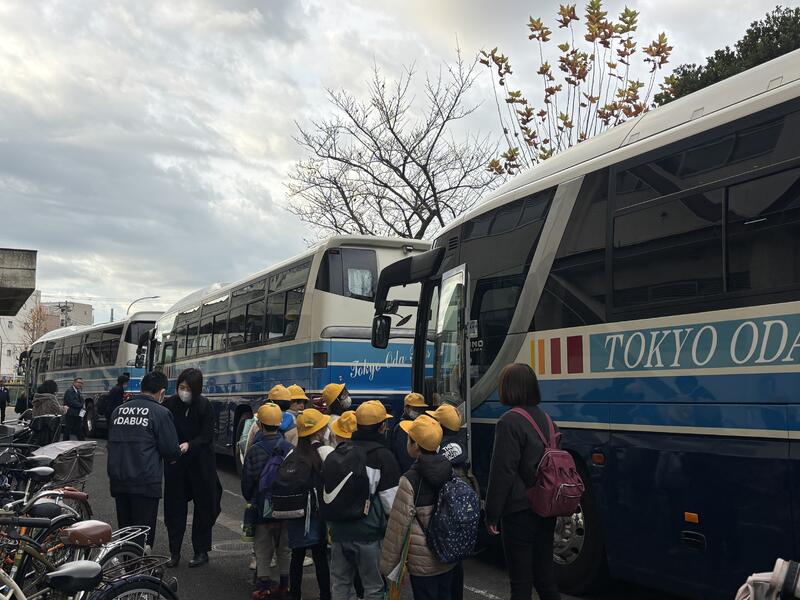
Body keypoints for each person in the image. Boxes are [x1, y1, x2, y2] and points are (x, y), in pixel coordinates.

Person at [485, 363, 561, 600]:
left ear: (508, 388)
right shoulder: (548, 421)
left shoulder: (509, 422)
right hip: (546, 508)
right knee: (545, 579)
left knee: (520, 584)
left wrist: (492, 514)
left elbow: (503, 472)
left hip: (519, 511)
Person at [328, 400, 400, 600]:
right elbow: (391, 504)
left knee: (341, 583)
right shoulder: (383, 456)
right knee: (373, 587)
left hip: (339, 531)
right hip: (368, 533)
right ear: (382, 427)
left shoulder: (341, 451)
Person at [380, 414, 455, 600]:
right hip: (447, 553)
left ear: (415, 446)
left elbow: (398, 526)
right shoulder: (449, 470)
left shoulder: (409, 480)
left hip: (422, 562)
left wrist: (387, 566)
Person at [107, 370, 181, 549]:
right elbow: (170, 450)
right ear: (162, 392)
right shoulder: (161, 413)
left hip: (119, 479)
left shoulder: (118, 411)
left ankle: (127, 562)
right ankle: (139, 565)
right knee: (142, 535)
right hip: (145, 482)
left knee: (125, 533)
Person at [163, 368, 221, 568]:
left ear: (196, 390)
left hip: (201, 463)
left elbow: (207, 435)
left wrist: (190, 444)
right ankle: (174, 552)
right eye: (181, 387)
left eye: (188, 389)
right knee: (174, 509)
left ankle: (201, 550)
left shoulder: (204, 405)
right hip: (176, 464)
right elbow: (164, 430)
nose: (184, 392)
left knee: (205, 507)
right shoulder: (170, 404)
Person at [241, 403, 293, 600]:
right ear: (279, 424)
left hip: (262, 506)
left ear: (261, 425)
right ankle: (285, 585)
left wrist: (251, 498)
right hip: (286, 507)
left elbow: (247, 481)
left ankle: (264, 587)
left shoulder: (255, 450)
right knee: (284, 548)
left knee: (263, 548)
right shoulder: (289, 448)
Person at [287, 408, 333, 600]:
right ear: (318, 431)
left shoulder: (292, 453)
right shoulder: (324, 453)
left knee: (296, 557)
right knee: (320, 557)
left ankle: (295, 594)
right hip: (316, 513)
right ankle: (325, 595)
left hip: (296, 512)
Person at [426, 403, 469, 600]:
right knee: (456, 562)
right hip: (460, 512)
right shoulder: (460, 444)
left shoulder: (441, 449)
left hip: (444, 511)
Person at [389, 392, 428, 473]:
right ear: (406, 408)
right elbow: (404, 456)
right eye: (415, 409)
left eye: (421, 409)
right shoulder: (403, 427)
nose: (418, 411)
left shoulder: (418, 423)